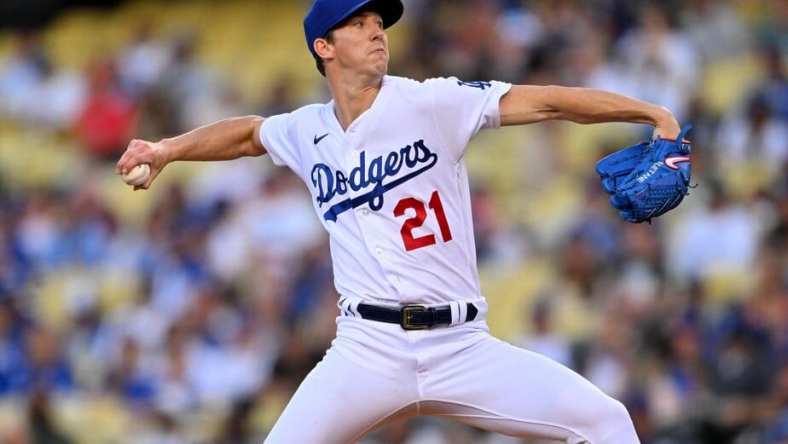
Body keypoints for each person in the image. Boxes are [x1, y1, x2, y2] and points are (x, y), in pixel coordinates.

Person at [116, 1, 683, 442]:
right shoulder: (307, 130)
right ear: (324, 46)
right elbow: (246, 133)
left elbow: (549, 101)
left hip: (461, 345)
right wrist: (166, 149)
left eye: (378, 22)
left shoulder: (430, 102)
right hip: (368, 348)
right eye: (358, 23)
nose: (376, 30)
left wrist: (649, 111)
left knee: (607, 422)